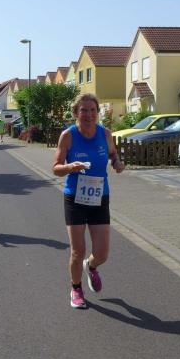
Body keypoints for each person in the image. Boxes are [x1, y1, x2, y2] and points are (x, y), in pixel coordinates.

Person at [52, 93, 124, 309]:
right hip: (75, 197)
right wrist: (69, 167)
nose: (89, 114)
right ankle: (76, 289)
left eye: (93, 110)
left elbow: (113, 154)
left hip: (100, 197)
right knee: (77, 250)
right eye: (84, 110)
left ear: (97, 113)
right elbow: (55, 168)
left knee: (102, 253)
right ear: (76, 113)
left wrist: (117, 163)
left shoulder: (105, 134)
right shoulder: (68, 136)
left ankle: (91, 267)